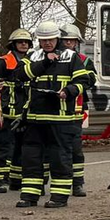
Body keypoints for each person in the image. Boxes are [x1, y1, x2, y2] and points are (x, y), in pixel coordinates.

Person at [19, 21, 88, 208]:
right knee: (31, 158)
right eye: (43, 39)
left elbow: (84, 80)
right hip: (34, 118)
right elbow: (21, 74)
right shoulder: (33, 56)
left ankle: (59, 197)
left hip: (60, 118)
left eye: (50, 39)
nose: (47, 43)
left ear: (57, 38)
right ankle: (29, 196)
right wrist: (45, 62)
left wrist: (69, 90)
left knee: (60, 158)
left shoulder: (71, 57)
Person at [0, 28, 31, 193]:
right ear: (13, 44)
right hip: (5, 113)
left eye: (26, 42)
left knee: (21, 147)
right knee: (2, 146)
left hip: (23, 113)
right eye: (20, 42)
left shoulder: (31, 62)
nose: (23, 44)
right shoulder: (3, 61)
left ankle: (16, 180)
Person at [59, 25, 91, 196]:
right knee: (52, 147)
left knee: (76, 148)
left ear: (77, 42)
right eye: (66, 40)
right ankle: (42, 182)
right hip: (55, 109)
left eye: (72, 40)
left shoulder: (85, 60)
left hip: (77, 110)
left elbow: (90, 79)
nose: (69, 43)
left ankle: (77, 183)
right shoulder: (55, 58)